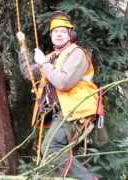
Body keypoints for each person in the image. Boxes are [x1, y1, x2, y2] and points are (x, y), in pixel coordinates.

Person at [17, 11, 100, 180]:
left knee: (51, 148)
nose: (59, 34)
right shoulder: (51, 58)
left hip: (76, 110)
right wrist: (22, 46)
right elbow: (29, 73)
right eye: (55, 31)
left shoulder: (77, 54)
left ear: (71, 34)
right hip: (61, 113)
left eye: (63, 31)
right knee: (52, 155)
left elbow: (63, 82)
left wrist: (44, 63)